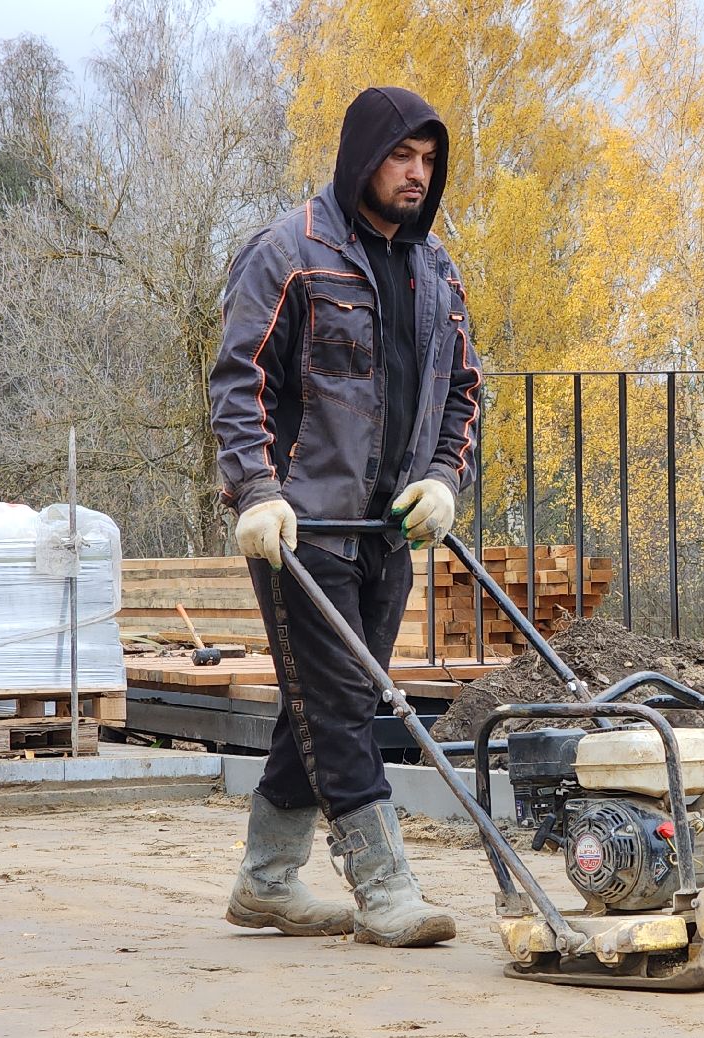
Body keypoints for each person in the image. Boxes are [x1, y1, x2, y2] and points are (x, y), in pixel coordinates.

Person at [207, 86, 482, 948]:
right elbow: (237, 380)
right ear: (364, 156)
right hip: (300, 529)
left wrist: (443, 478)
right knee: (337, 703)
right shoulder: (289, 253)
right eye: (403, 156)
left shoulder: (435, 271)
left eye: (429, 161)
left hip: (388, 529)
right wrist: (256, 491)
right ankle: (383, 883)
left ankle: (266, 882)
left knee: (330, 697)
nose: (417, 173)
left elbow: (466, 391)